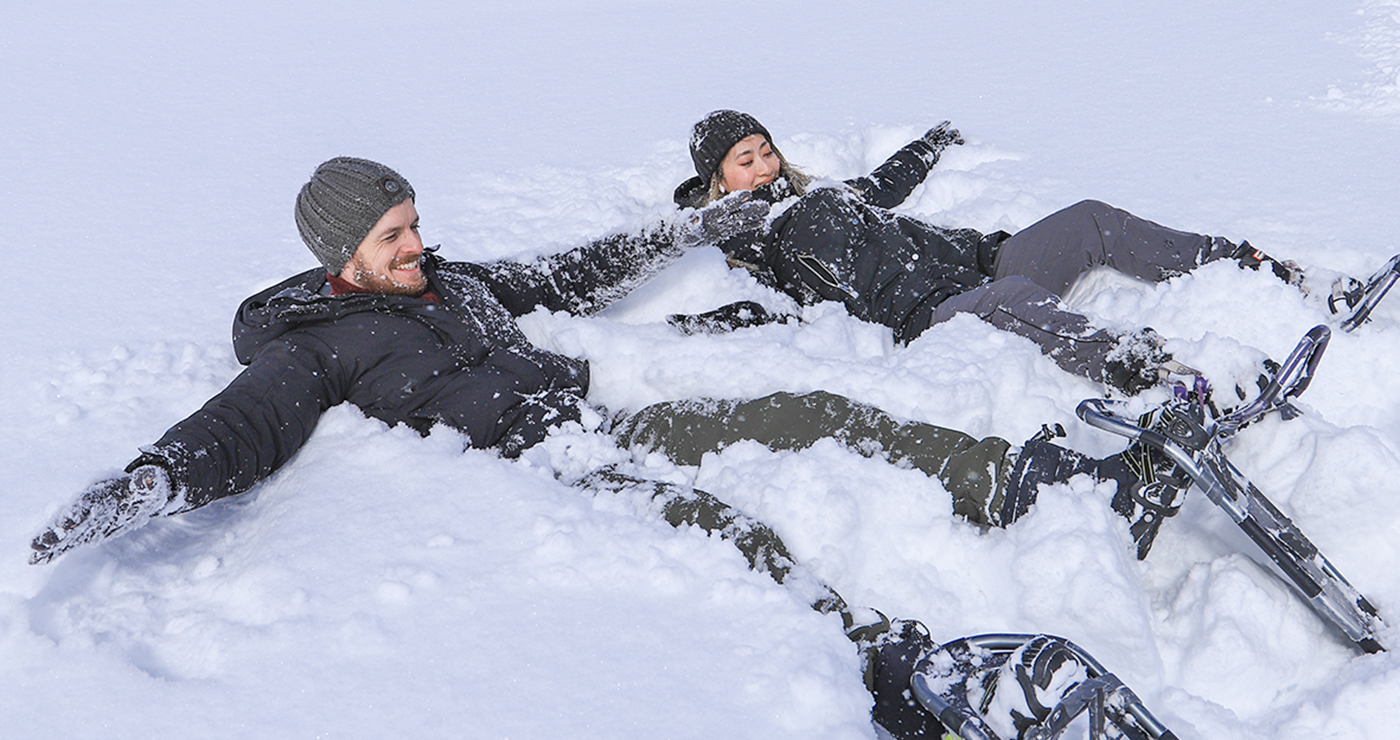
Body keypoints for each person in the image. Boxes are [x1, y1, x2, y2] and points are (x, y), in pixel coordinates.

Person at [26, 156, 1168, 740]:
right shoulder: (320, 345)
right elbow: (239, 427)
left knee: (804, 412)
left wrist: (689, 227)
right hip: (540, 467)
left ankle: (1009, 476)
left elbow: (568, 270)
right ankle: (883, 657)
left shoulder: (451, 278)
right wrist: (150, 479)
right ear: (344, 256)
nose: (419, 243)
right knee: (726, 527)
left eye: (416, 221)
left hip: (588, 413)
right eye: (395, 234)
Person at [671, 109, 1350, 395]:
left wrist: (930, 144)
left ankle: (1247, 266)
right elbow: (744, 312)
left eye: (765, 151)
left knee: (1089, 220)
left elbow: (883, 187)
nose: (763, 166)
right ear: (716, 180)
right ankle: (1149, 369)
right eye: (743, 160)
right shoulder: (748, 245)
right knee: (1014, 303)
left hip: (977, 263)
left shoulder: (824, 193)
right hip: (927, 319)